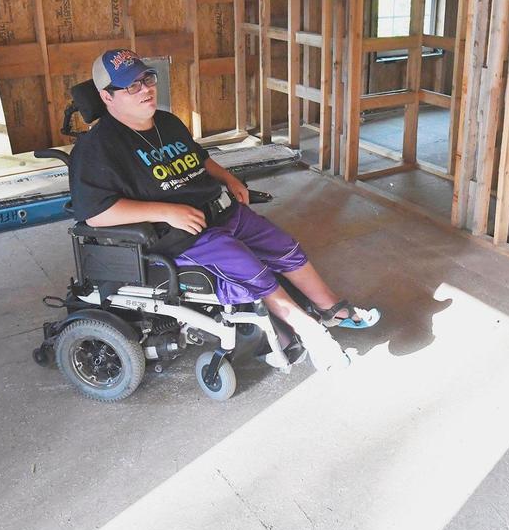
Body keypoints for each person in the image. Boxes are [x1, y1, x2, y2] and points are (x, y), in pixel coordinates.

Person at [68, 48, 380, 371]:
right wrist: (165, 211)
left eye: (147, 79)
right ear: (107, 96)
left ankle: (331, 308)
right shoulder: (96, 148)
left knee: (284, 247)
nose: (146, 89)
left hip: (220, 211)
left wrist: (229, 179)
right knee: (253, 269)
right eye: (132, 86)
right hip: (180, 235)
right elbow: (96, 214)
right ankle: (312, 333)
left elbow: (200, 159)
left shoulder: (166, 122)